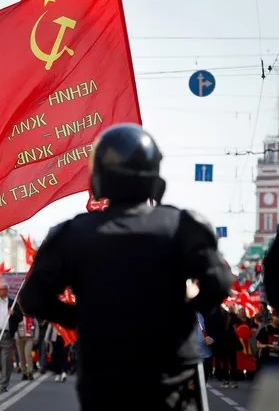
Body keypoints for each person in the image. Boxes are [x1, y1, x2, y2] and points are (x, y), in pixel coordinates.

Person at [19, 123, 233, 410]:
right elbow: (219, 284)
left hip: (104, 374)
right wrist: (181, 308)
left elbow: (32, 298)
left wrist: (83, 317)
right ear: (154, 173)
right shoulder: (184, 226)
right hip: (170, 373)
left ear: (98, 176)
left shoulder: (71, 234)